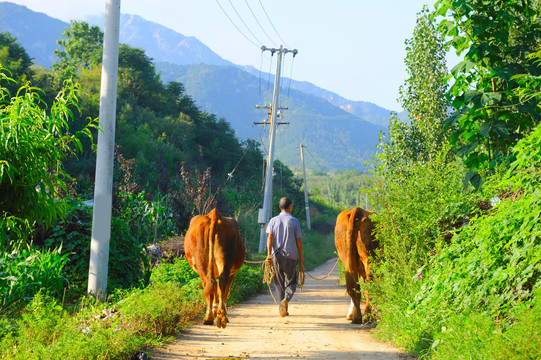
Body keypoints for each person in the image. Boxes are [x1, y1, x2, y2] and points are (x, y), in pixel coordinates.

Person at [266, 197, 304, 317]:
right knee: (291, 282)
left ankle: (281, 308)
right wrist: (301, 256)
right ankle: (286, 300)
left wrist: (269, 255)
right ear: (289, 207)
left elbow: (270, 238)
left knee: (279, 282)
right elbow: (298, 241)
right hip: (290, 255)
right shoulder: (294, 221)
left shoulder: (273, 220)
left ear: (280, 207)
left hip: (276, 255)